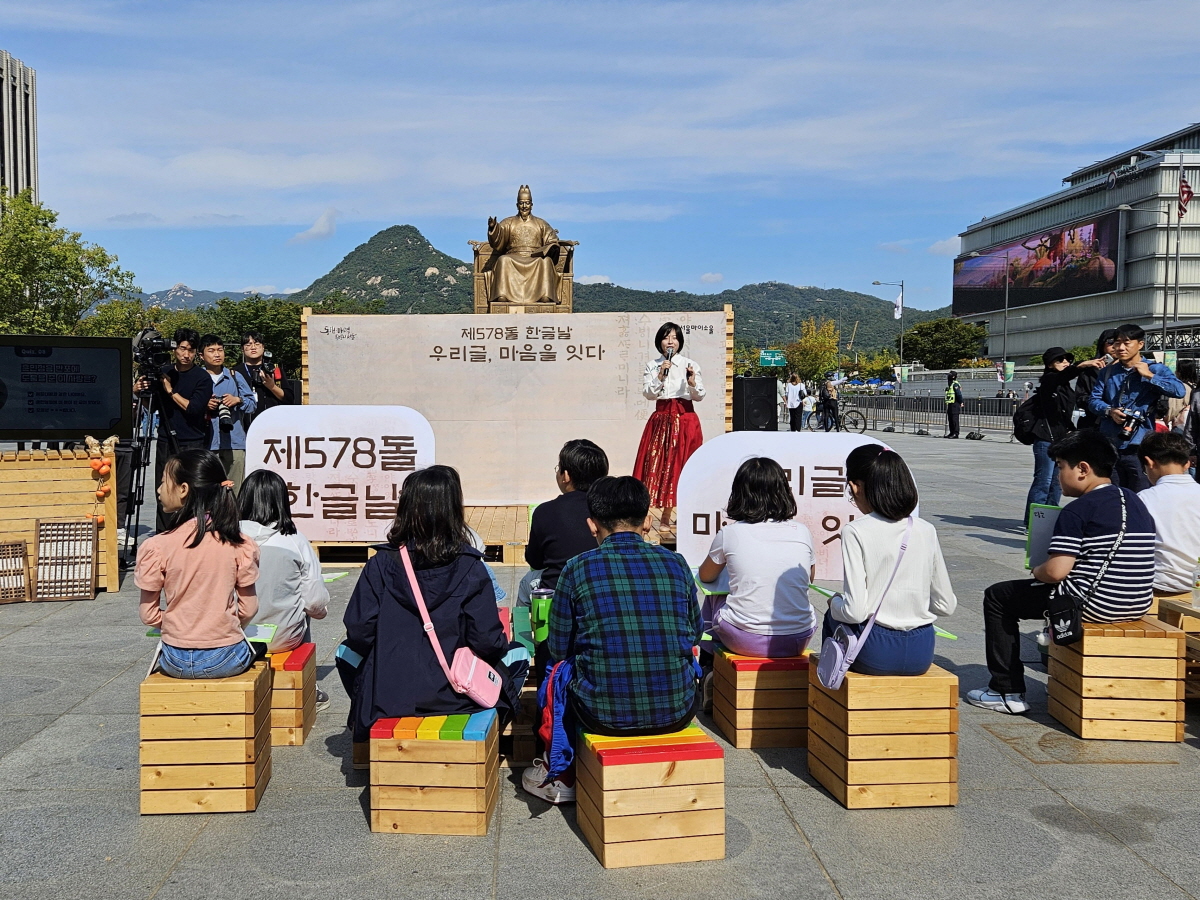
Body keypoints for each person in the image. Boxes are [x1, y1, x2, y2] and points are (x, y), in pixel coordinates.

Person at [521, 476, 700, 804]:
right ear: (647, 520)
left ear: (592, 526)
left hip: (600, 712)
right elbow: (695, 631)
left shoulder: (576, 568)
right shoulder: (676, 564)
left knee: (559, 673)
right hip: (678, 709)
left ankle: (561, 774)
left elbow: (559, 647)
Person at [967, 430, 1156, 714]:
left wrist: (1037, 570)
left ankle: (1005, 691)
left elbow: (1055, 572)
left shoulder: (1079, 509)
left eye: (1060, 466)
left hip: (1095, 604)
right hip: (1136, 602)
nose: (1057, 475)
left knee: (998, 597)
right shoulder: (1134, 499)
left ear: (1082, 469)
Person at [341, 466, 523, 747]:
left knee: (344, 653)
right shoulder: (470, 567)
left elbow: (358, 630)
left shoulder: (381, 564)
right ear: (453, 509)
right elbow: (487, 641)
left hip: (389, 695)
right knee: (518, 654)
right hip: (458, 695)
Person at [823, 445, 957, 676]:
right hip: (921, 650)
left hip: (875, 650)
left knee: (833, 614)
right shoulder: (926, 529)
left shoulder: (856, 531)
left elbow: (855, 612)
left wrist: (835, 603)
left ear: (856, 487)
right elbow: (946, 605)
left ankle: (831, 690)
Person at [136, 449, 260, 679]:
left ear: (184, 490)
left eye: (164, 482)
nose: (159, 489)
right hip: (226, 655)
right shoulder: (240, 543)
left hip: (174, 658)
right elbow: (249, 608)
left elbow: (148, 615)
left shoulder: (157, 546)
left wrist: (179, 624)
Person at [698, 457, 816, 658]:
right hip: (799, 637)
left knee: (714, 597)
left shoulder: (730, 533)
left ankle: (709, 664)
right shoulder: (802, 531)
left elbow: (705, 576)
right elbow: (809, 578)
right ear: (783, 491)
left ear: (739, 494)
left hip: (745, 638)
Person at [1087, 323, 1186, 491]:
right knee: (1113, 494)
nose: (1120, 347)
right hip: (1110, 443)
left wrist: (1149, 376)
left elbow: (1179, 390)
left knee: (1140, 493)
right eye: (1117, 343)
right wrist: (1109, 411)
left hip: (1140, 444)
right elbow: (1093, 401)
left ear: (1140, 344)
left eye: (1126, 343)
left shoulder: (1155, 369)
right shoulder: (1108, 372)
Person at [135, 327, 214, 532]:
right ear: (174, 349)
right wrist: (140, 392)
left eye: (190, 350)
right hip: (165, 441)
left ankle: (191, 534)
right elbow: (152, 407)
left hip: (192, 441)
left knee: (190, 492)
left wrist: (170, 390)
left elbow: (193, 409)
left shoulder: (202, 378)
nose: (186, 354)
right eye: (181, 349)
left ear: (196, 352)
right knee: (164, 489)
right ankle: (164, 535)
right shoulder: (164, 371)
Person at [633, 322, 704, 529]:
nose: (670, 341)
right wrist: (660, 376)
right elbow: (648, 393)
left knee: (682, 466)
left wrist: (692, 383)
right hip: (662, 419)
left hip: (685, 419)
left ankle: (675, 514)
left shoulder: (690, 364)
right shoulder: (653, 365)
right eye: (666, 337)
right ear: (660, 342)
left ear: (680, 341)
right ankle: (653, 516)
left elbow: (700, 395)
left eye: (674, 337)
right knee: (657, 464)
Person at [1024, 347, 1103, 523]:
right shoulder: (1049, 380)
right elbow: (1062, 376)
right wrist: (1082, 365)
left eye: (1067, 360)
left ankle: (1049, 518)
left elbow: (1065, 414)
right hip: (1045, 438)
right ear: (1050, 364)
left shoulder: (1066, 387)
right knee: (1043, 481)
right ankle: (1033, 521)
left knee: (1057, 482)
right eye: (1060, 360)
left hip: (1061, 440)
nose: (1065, 363)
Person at [1137, 431, 1200, 601]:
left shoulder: (1143, 499)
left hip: (1159, 587)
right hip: (1196, 591)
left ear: (1149, 463)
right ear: (1187, 463)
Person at [199, 334, 256, 491]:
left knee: (235, 491)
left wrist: (238, 400)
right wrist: (204, 405)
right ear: (201, 355)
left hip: (234, 442)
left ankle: (234, 516)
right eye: (211, 350)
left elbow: (252, 405)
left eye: (220, 350)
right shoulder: (197, 377)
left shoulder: (234, 376)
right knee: (208, 491)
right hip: (207, 443)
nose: (217, 354)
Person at [234, 331, 294, 422]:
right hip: (244, 424)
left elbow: (289, 399)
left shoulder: (274, 369)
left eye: (257, 344)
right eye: (248, 344)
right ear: (242, 349)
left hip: (272, 422)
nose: (253, 347)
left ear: (263, 347)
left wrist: (272, 387)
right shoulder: (235, 372)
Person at [1074, 328, 1119, 429]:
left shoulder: (1132, 369)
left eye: (1119, 342)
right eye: (1110, 342)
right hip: (1095, 422)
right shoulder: (1089, 370)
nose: (1115, 346)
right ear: (1102, 345)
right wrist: (1100, 405)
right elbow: (1080, 397)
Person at [944, 371, 963, 438]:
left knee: (955, 419)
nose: (948, 377)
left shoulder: (955, 384)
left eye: (949, 375)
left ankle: (956, 433)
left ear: (953, 377)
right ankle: (951, 432)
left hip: (955, 404)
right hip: (950, 403)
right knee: (950, 419)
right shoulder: (950, 385)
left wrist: (961, 402)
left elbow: (959, 394)